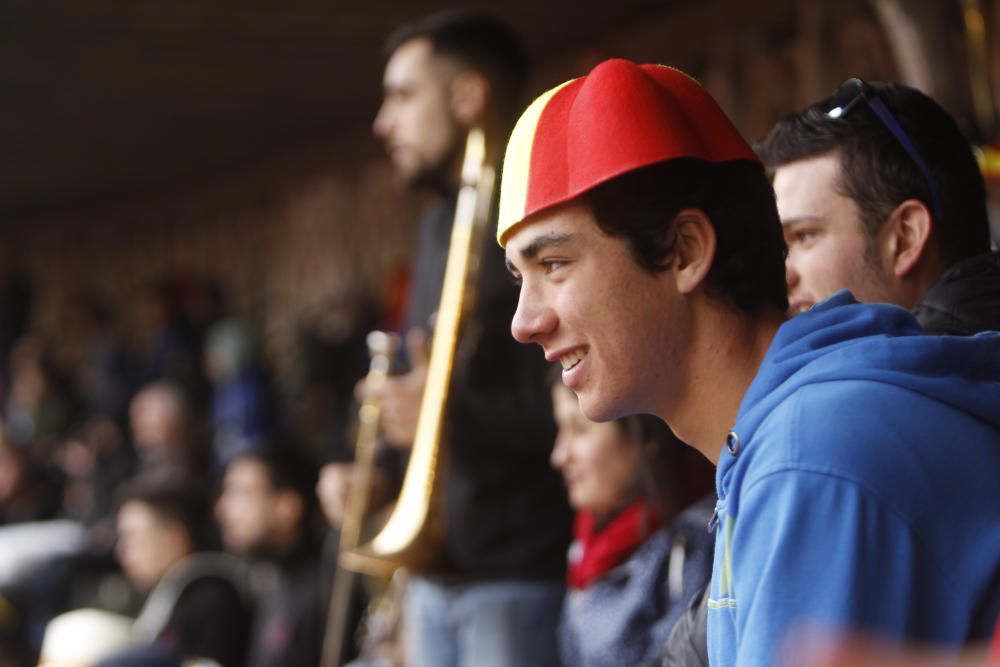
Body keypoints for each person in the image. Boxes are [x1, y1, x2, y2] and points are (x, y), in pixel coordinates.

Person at [498, 58, 1000, 666]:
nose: (524, 322)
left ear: (685, 252)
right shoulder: (780, 437)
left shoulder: (809, 453)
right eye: (520, 277)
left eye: (553, 265)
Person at [318, 9, 571, 667]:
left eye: (403, 95)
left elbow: (581, 404)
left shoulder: (543, 213)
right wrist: (376, 472)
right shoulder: (437, 226)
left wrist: (442, 411)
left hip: (516, 572)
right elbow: (424, 382)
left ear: (468, 97)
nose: (383, 122)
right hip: (437, 570)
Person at [755, 78, 1000, 333]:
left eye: (804, 235)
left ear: (905, 237)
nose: (784, 277)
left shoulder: (912, 370)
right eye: (782, 246)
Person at [549, 378, 713, 667]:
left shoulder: (695, 546)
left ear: (645, 437)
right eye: (560, 430)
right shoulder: (587, 548)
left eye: (580, 430)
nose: (560, 456)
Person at [113, 470, 251, 665]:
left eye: (133, 537)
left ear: (174, 539)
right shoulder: (169, 596)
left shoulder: (212, 599)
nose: (122, 550)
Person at [215, 445, 323, 667]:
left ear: (287, 508)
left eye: (240, 493)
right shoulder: (269, 582)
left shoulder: (325, 591)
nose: (223, 508)